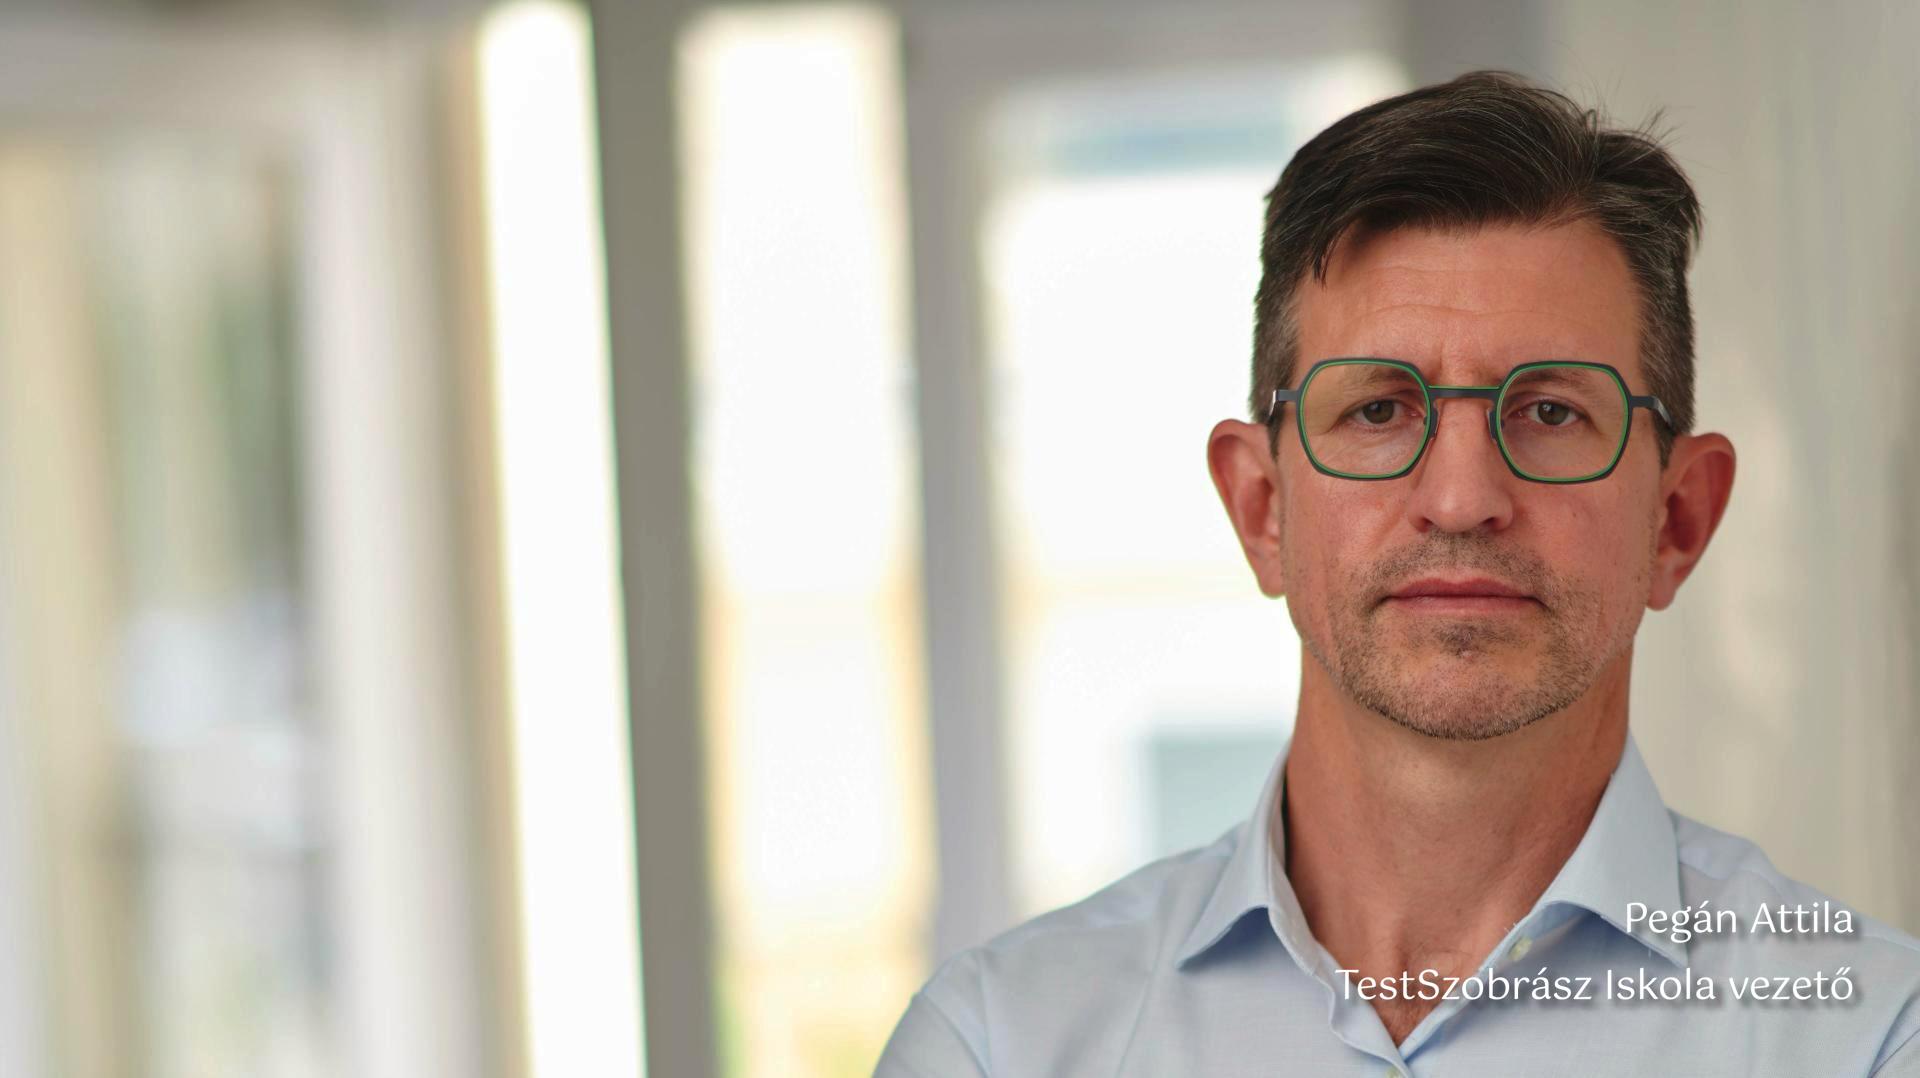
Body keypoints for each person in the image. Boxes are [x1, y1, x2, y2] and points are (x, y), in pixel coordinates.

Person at [875, 71, 1920, 1076]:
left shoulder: (1872, 1039)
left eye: (1551, 411)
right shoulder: (997, 1043)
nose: (1462, 498)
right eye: (1377, 409)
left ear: (1677, 520)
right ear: (1262, 508)